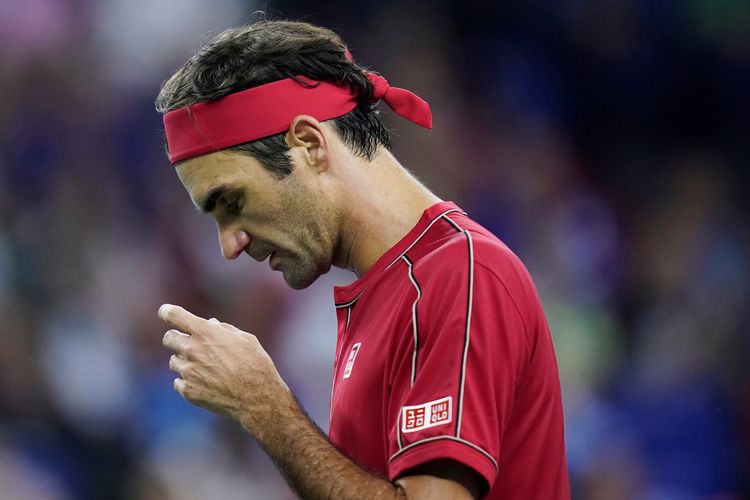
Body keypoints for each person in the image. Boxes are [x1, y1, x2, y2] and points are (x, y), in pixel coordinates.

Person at [155, 20, 570, 499]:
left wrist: (264, 407)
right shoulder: (394, 289)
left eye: (233, 202)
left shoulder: (460, 275)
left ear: (309, 144)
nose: (230, 245)